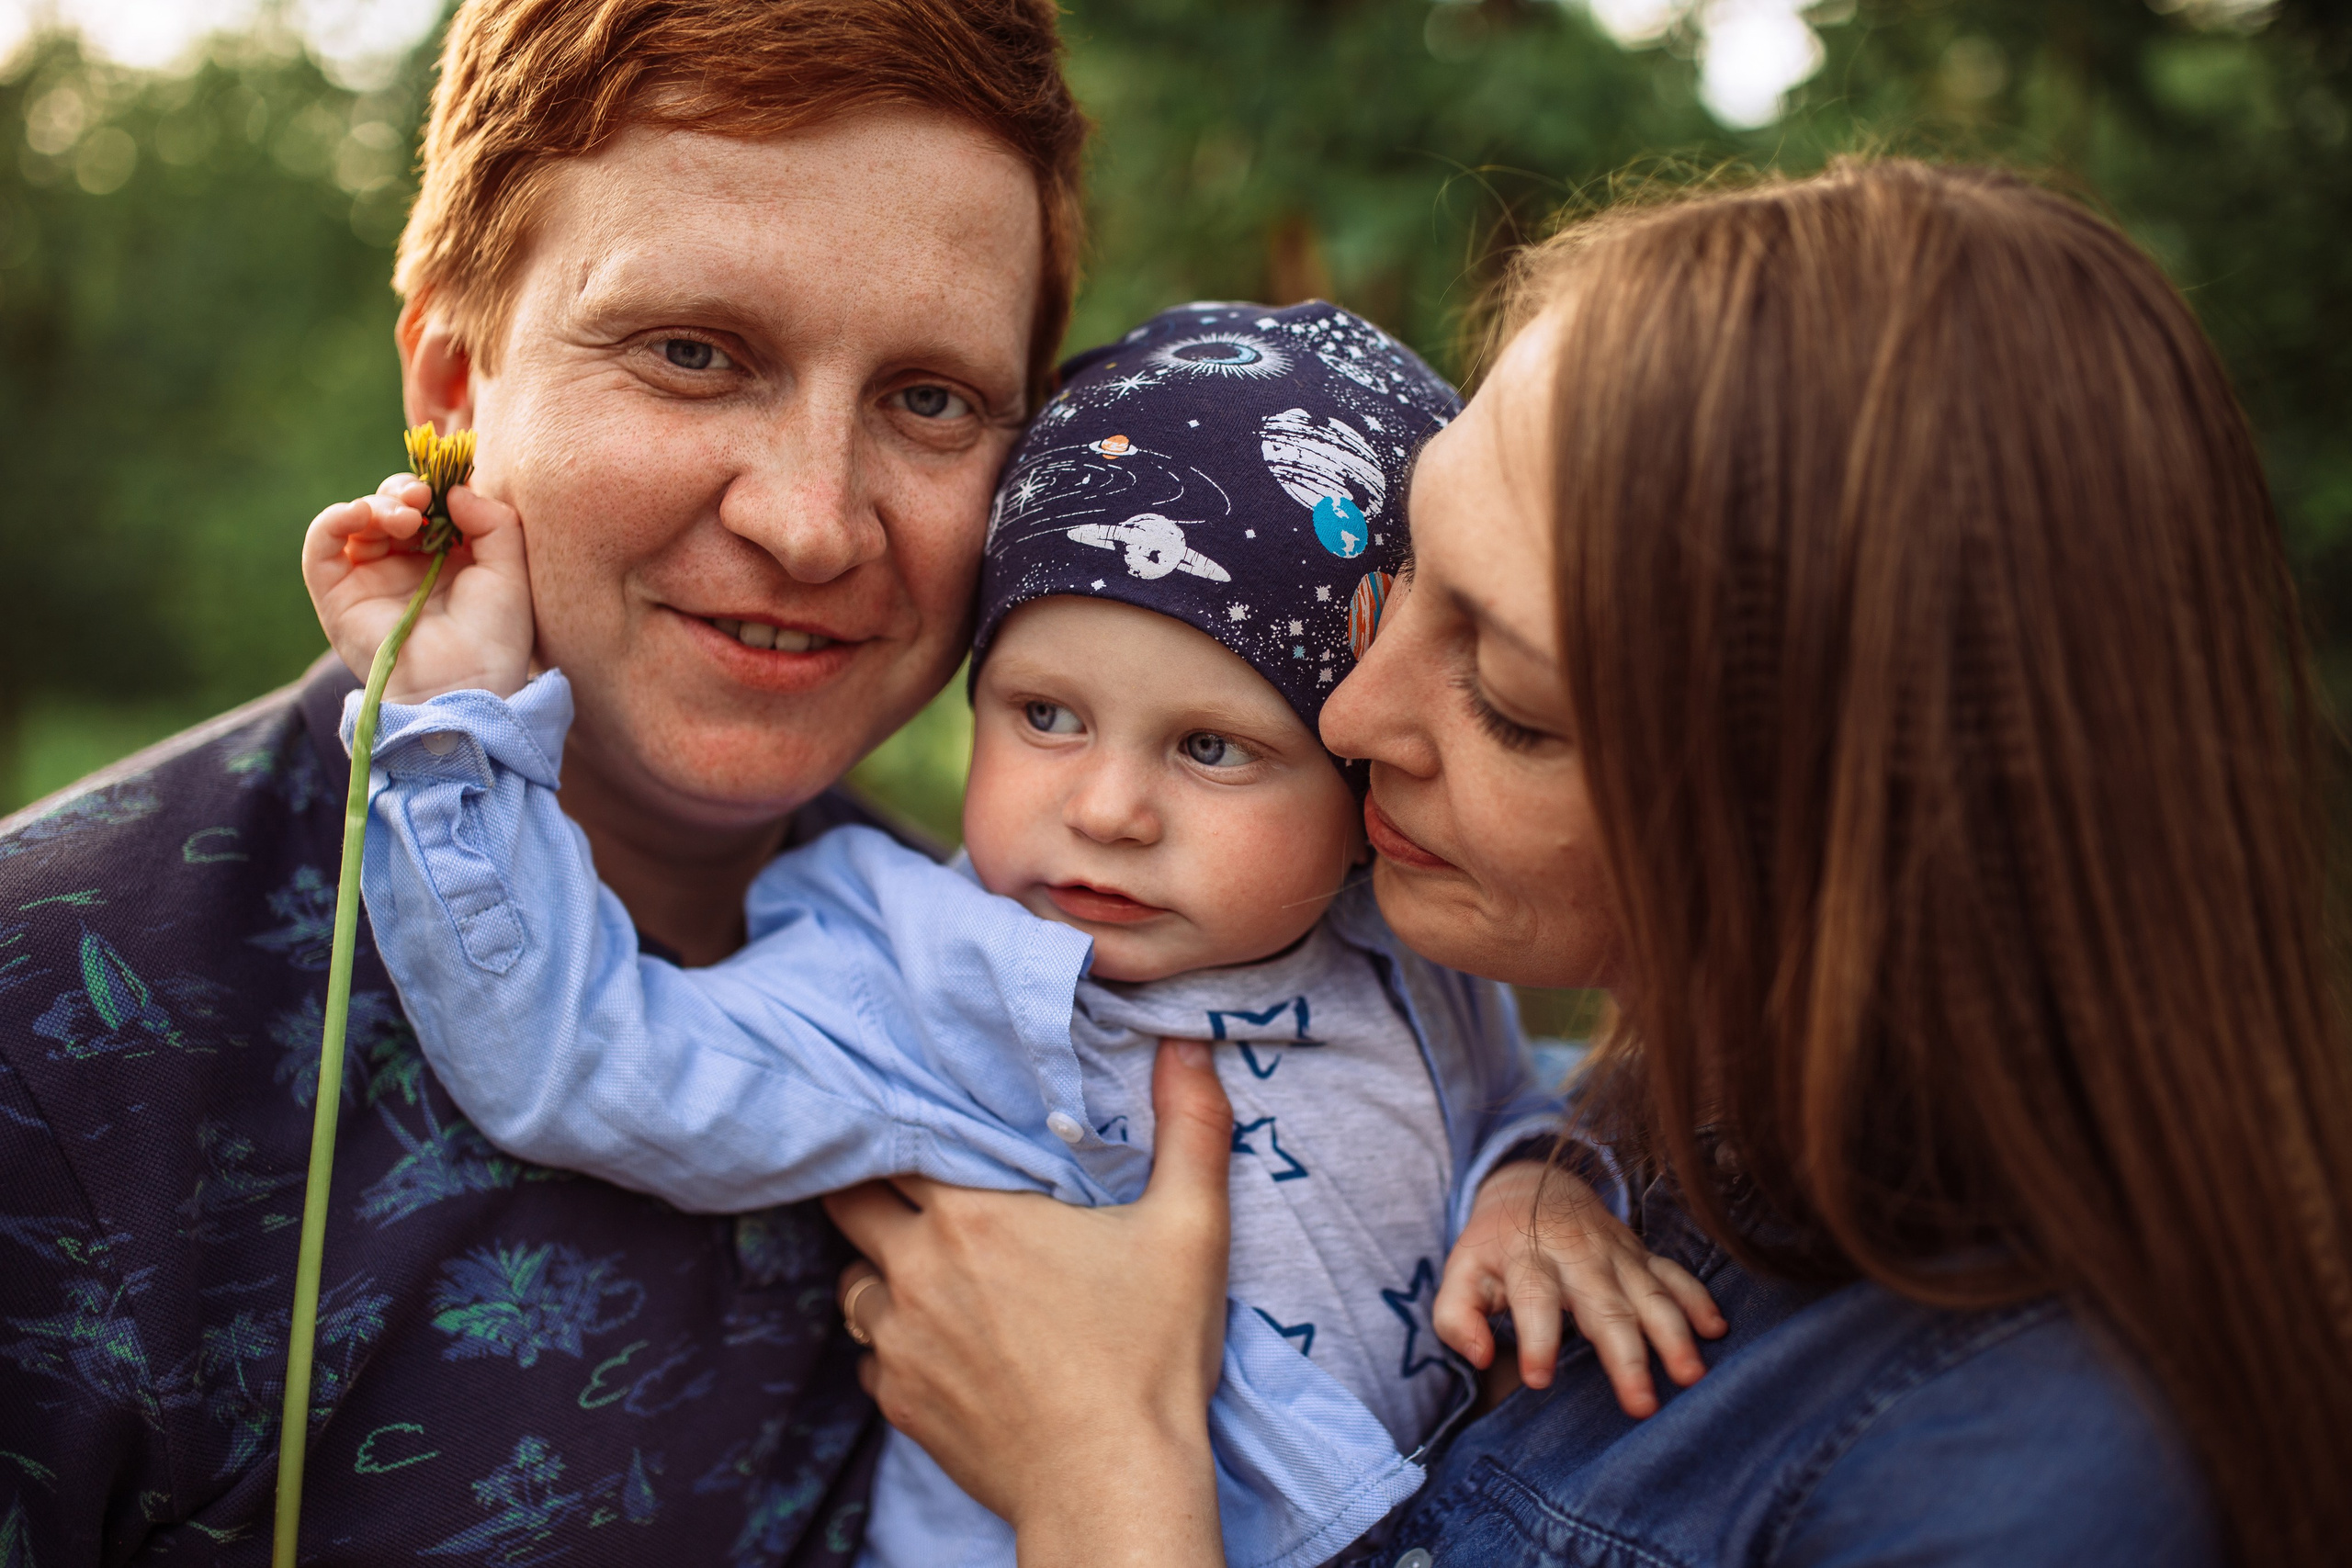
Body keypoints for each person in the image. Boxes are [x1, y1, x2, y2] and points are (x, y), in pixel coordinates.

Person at [817, 161, 2352, 1566]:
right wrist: (1547, 1166)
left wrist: (1100, 1474)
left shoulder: (2019, 1480)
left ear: (1826, 826)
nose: (1352, 716)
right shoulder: (1635, 1116)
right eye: (1406, 581)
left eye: (1510, 701)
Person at [300, 300, 1724, 1568]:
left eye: (1216, 749)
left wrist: (1542, 1186)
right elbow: (583, 1054)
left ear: (1357, 775)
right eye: (1046, 715)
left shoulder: (1409, 955)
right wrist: (450, 729)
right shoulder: (917, 973)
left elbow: (1514, 1104)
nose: (1106, 808)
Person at [0, 0, 1083, 1560]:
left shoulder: (1030, 994)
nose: (813, 521)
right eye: (694, 353)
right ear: (452, 381)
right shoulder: (50, 1045)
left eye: (930, 399)